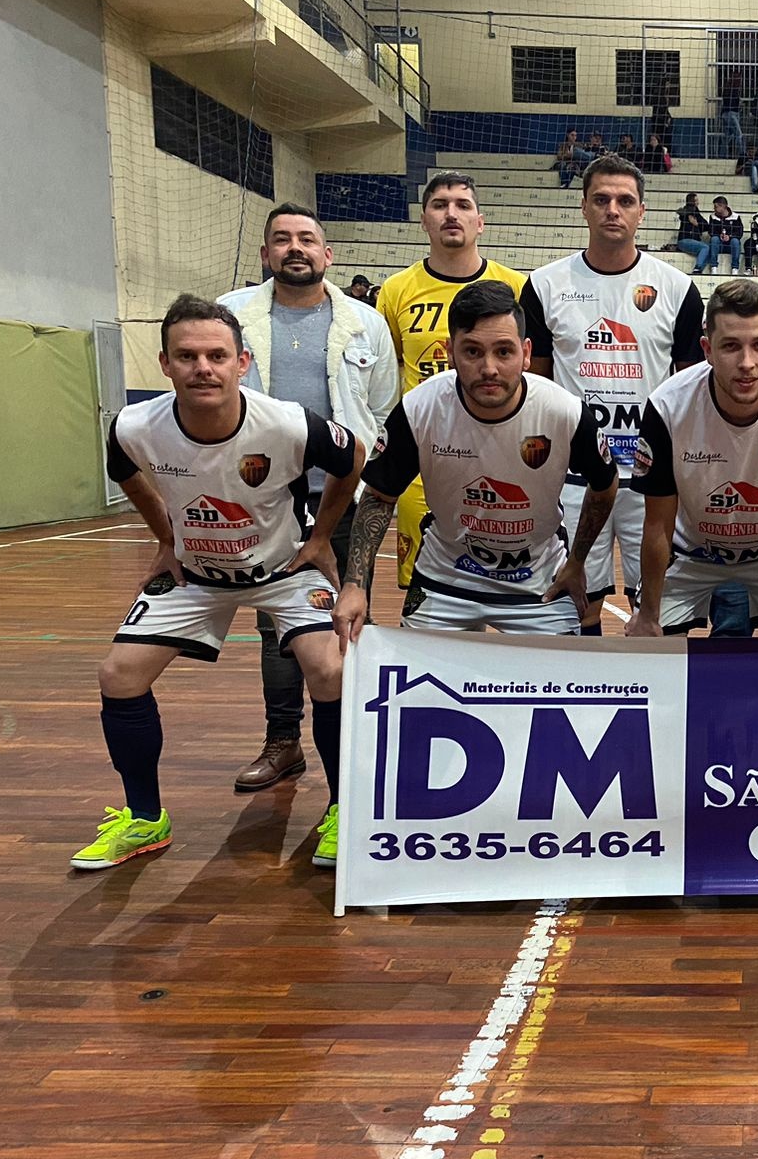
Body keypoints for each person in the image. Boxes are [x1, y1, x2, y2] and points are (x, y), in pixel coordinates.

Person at [76, 295, 364, 871]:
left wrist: (321, 538)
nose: (202, 368)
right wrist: (165, 538)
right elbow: (124, 474)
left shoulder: (285, 422)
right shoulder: (134, 426)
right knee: (119, 675)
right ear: (165, 364)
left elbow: (352, 457)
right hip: (197, 574)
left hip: (283, 571)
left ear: (242, 362)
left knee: (332, 670)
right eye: (187, 356)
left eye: (216, 356)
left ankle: (345, 809)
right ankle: (144, 819)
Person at [216, 203, 395, 794]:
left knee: (348, 620)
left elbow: (380, 404)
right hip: (265, 501)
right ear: (265, 253)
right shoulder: (231, 314)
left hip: (342, 500)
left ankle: (355, 752)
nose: (295, 248)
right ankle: (283, 740)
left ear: (327, 254)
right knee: (277, 628)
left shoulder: (366, 322)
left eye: (307, 239)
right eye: (282, 239)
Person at [334, 281, 618, 639]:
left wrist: (577, 562)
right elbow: (378, 496)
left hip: (539, 582)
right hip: (445, 579)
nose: (489, 368)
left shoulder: (565, 412)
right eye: (472, 351)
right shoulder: (419, 408)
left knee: (559, 675)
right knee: (420, 676)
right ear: (450, 353)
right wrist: (355, 584)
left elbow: (605, 485)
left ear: (526, 353)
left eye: (504, 352)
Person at [520, 154, 705, 634]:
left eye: (625, 201)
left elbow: (690, 393)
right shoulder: (544, 286)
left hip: (651, 480)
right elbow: (536, 389)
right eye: (601, 199)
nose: (612, 210)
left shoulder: (677, 289)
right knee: (578, 605)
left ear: (642, 210)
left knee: (661, 611)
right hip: (576, 477)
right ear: (584, 206)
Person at [627, 280, 758, 637]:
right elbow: (657, 522)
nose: (746, 363)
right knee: (653, 648)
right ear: (707, 350)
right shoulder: (667, 406)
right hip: (690, 551)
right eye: (730, 346)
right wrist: (648, 615)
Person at [375, 172, 527, 590]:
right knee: (424, 592)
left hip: (501, 457)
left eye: (463, 205)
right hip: (423, 462)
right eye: (440, 205)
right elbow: (387, 374)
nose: (451, 214)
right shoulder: (396, 290)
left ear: (480, 222)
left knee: (505, 586)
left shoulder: (516, 286)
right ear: (424, 219)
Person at [699, 196, 744, 275]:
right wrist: (719, 235)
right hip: (719, 245)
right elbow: (711, 231)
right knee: (714, 239)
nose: (714, 209)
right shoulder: (713, 216)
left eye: (716, 207)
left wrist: (730, 237)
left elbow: (739, 232)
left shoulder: (736, 217)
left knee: (735, 241)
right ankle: (713, 267)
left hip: (730, 245)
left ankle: (735, 268)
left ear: (723, 206)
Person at [675, 192, 707, 264]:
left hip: (693, 240)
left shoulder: (696, 213)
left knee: (708, 249)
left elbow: (706, 225)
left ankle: (699, 268)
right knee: (705, 248)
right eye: (696, 200)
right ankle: (698, 268)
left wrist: (697, 224)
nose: (698, 202)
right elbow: (681, 213)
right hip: (685, 240)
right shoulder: (686, 213)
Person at [720, 74, 745, 160]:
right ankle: (742, 155)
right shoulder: (734, 90)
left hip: (725, 114)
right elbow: (733, 104)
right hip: (732, 114)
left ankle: (722, 156)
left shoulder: (727, 89)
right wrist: (739, 104)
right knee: (739, 134)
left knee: (727, 136)